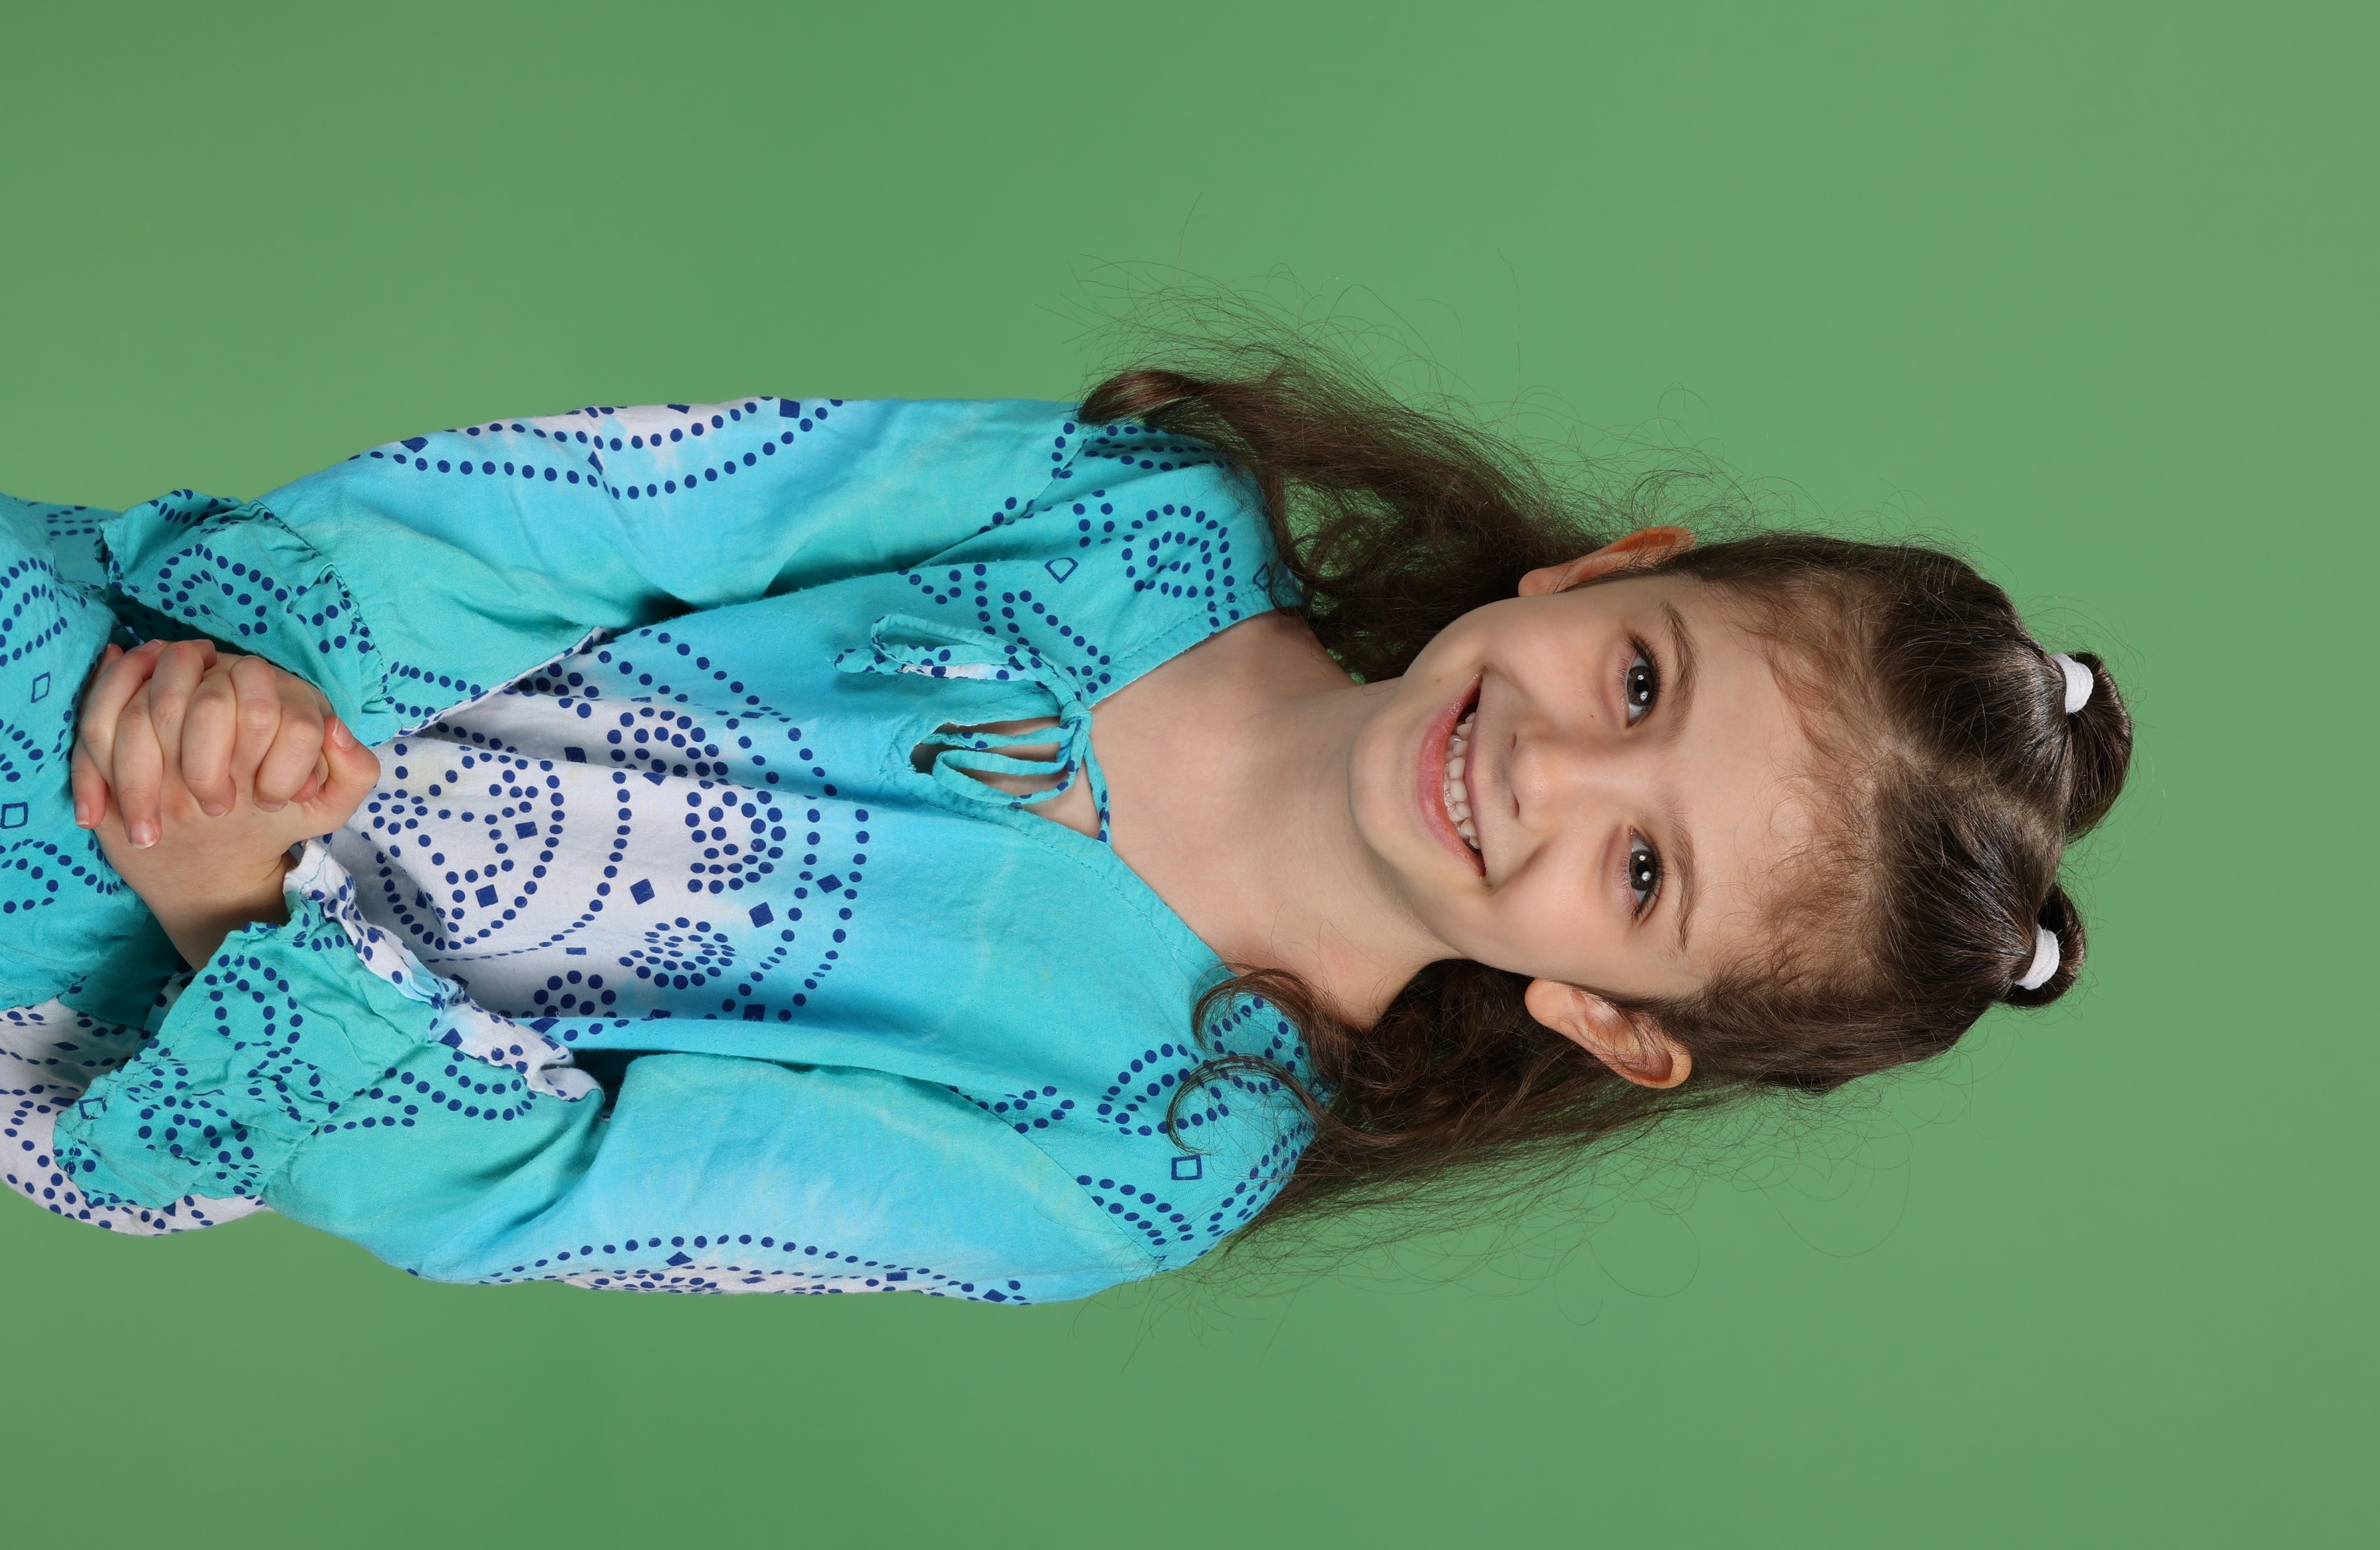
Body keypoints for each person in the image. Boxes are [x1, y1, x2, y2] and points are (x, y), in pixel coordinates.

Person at [0, 355, 2133, 1301]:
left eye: (1640, 874)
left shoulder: (1145, 1155)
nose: (1548, 774)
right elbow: (625, 497)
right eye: (1641, 683)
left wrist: (232, 894)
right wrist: (256, 693)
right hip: (99, 655)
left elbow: (579, 1197)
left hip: (109, 977)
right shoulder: (1136, 520)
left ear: (1611, 1017)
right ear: (1609, 572)